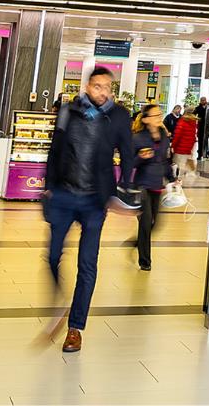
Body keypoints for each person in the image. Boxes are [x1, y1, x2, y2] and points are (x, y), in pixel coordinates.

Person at [41, 67, 135, 353]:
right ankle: (60, 301)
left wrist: (123, 189)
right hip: (64, 196)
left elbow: (128, 154)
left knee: (87, 264)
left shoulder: (118, 115)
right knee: (53, 256)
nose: (102, 92)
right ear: (88, 86)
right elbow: (55, 149)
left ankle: (75, 327)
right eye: (97, 86)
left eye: (107, 87)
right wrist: (48, 185)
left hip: (95, 201)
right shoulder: (69, 111)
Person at [125, 103, 173, 271]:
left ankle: (139, 242)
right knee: (145, 223)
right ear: (146, 119)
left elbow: (166, 160)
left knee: (155, 223)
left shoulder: (164, 136)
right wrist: (141, 156)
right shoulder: (138, 138)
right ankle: (145, 261)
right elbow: (129, 163)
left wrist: (172, 179)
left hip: (157, 184)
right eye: (155, 115)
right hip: (143, 185)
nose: (159, 117)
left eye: (160, 114)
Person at [171, 107, 200, 183]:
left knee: (177, 163)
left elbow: (177, 135)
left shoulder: (182, 121)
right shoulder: (194, 122)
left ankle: (177, 179)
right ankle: (179, 179)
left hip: (180, 147)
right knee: (182, 164)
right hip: (188, 147)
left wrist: (173, 145)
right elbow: (194, 136)